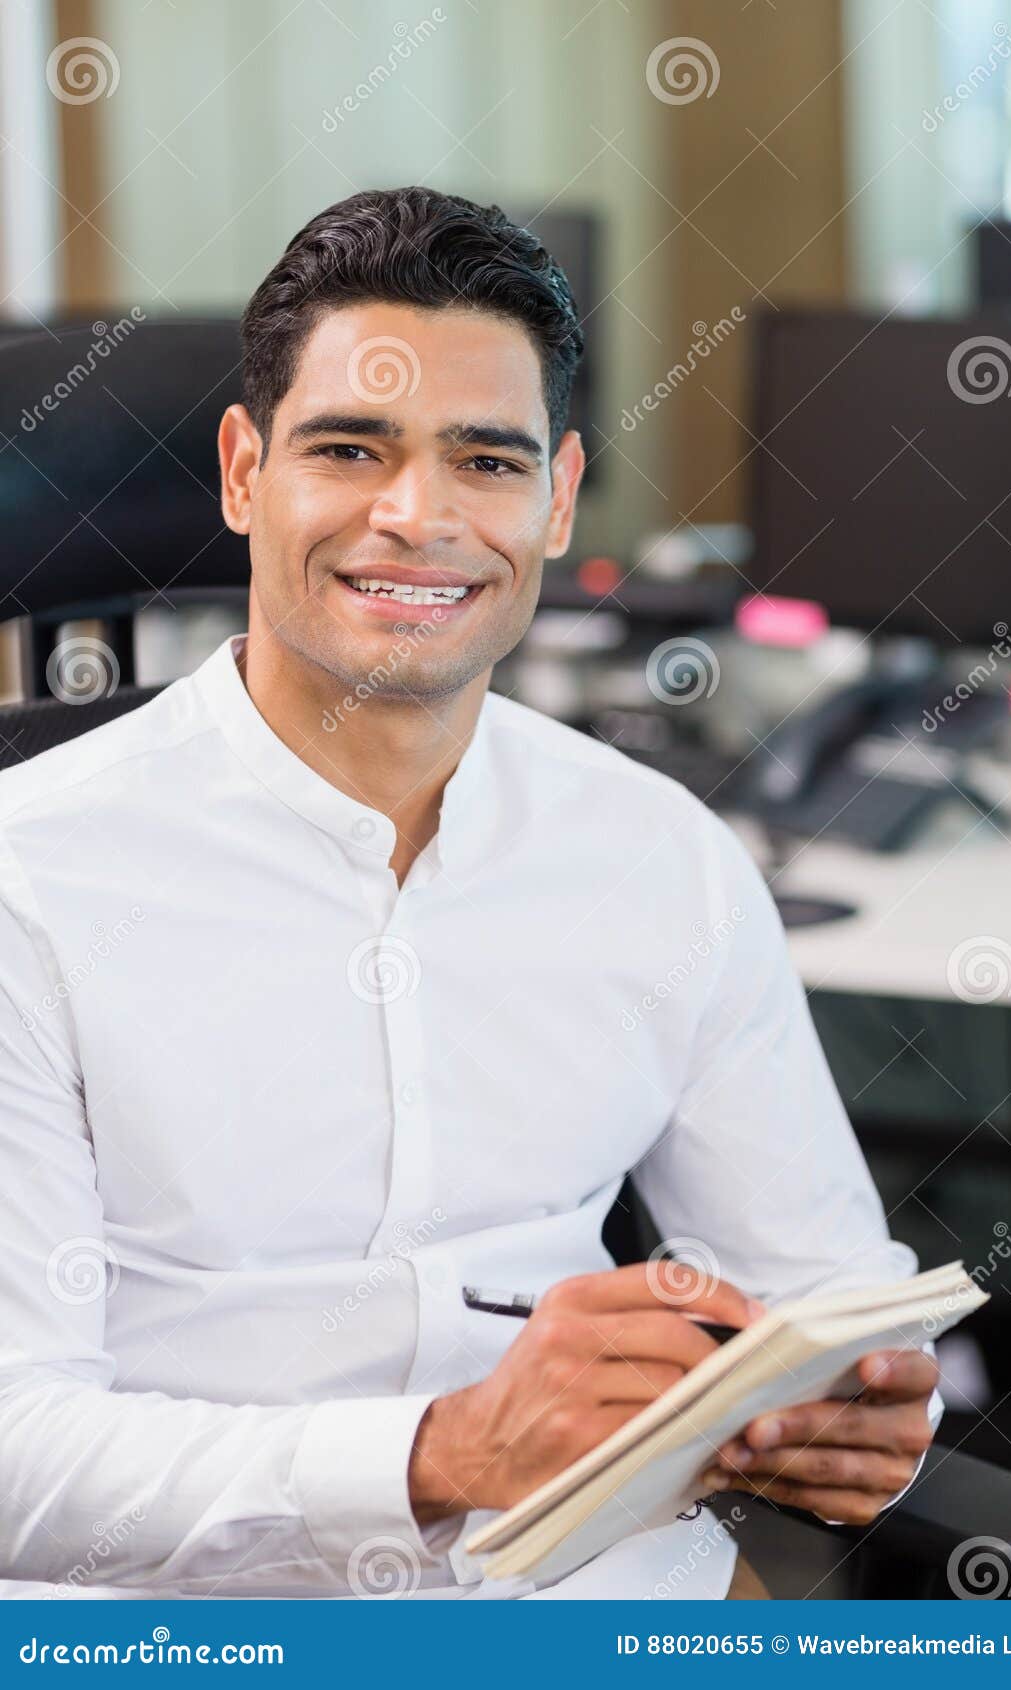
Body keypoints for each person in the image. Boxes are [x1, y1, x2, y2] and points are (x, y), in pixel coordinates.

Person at [0, 187, 937, 1601]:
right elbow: (18, 1453)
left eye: (484, 461)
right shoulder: (33, 878)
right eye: (350, 448)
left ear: (555, 501)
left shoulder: (665, 857)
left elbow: (831, 1306)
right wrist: (438, 1451)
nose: (417, 515)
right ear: (246, 472)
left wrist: (857, 1424)